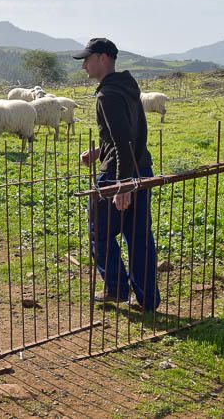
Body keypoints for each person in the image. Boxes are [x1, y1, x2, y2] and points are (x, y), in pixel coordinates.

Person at [73, 38, 160, 311]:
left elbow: (124, 141)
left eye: (87, 59)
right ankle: (146, 298)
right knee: (138, 235)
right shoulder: (127, 87)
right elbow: (128, 135)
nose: (84, 65)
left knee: (99, 232)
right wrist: (100, 151)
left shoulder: (107, 95)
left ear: (103, 58)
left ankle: (116, 288)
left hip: (118, 174)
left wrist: (122, 186)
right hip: (140, 169)